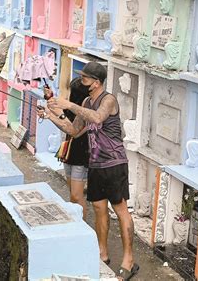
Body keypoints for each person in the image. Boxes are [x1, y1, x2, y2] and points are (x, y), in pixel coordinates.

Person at [39, 62, 138, 279]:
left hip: (114, 164)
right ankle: (102, 253)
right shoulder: (85, 101)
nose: (82, 81)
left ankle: (129, 259)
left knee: (120, 210)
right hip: (95, 165)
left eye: (85, 78)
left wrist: (67, 104)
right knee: (99, 209)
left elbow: (98, 117)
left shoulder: (108, 99)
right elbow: (74, 131)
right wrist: (50, 116)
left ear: (96, 82)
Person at [47, 78, 90, 220]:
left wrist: (57, 115)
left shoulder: (86, 112)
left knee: (77, 196)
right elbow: (60, 115)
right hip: (68, 153)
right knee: (72, 193)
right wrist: (49, 98)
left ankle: (81, 225)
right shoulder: (71, 108)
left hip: (82, 155)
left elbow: (73, 130)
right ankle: (76, 221)